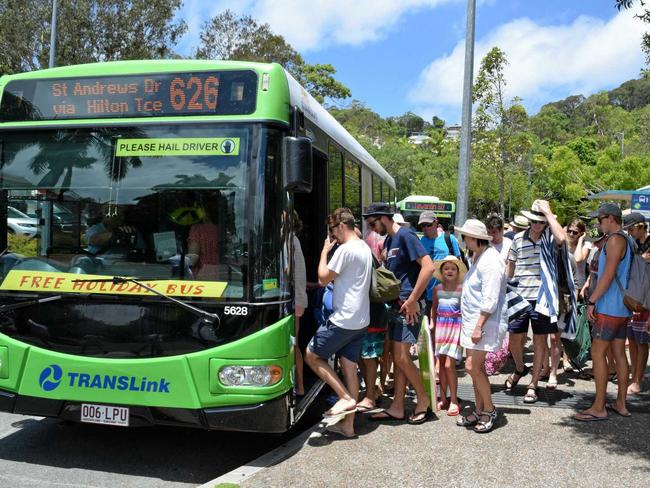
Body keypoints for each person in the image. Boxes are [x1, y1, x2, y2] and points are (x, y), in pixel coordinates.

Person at [364, 203, 435, 424]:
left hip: (409, 307)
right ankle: (397, 407)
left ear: (383, 218)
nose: (372, 229)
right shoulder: (390, 240)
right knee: (397, 358)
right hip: (397, 306)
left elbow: (428, 267)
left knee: (403, 358)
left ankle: (423, 401)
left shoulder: (405, 235)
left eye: (373, 223)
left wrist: (414, 299)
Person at [305, 208, 373, 438]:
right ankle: (348, 426)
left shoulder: (345, 249)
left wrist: (325, 251)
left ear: (341, 226)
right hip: (361, 319)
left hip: (343, 319)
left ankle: (345, 398)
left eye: (333, 231)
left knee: (312, 355)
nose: (333, 236)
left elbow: (323, 279)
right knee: (349, 369)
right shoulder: (364, 247)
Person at [576, 203, 632, 421]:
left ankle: (599, 407)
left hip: (609, 307)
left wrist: (592, 300)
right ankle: (621, 403)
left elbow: (607, 276)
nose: (598, 224)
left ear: (610, 218)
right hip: (621, 308)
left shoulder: (615, 239)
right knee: (618, 354)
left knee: (598, 353)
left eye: (600, 220)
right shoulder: (625, 239)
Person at [506, 200, 566, 402]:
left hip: (542, 298)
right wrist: (505, 287)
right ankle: (520, 367)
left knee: (540, 340)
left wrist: (549, 213)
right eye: (534, 221)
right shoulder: (516, 239)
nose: (536, 225)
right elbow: (510, 267)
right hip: (519, 296)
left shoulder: (549, 238)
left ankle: (533, 384)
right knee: (514, 338)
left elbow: (562, 237)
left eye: (541, 222)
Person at [456, 219, 508, 433]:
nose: (463, 240)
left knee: (472, 367)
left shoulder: (491, 261)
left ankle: (489, 409)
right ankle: (479, 408)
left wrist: (478, 326)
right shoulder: (479, 257)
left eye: (465, 236)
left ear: (474, 238)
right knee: (473, 368)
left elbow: (490, 299)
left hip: (483, 323)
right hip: (473, 322)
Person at [430, 255, 467, 416]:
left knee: (448, 365)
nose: (450, 271)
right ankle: (443, 397)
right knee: (442, 365)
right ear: (442, 271)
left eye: (453, 268)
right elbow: (434, 309)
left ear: (458, 272)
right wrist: (431, 324)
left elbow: (465, 312)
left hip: (455, 328)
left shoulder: (462, 289)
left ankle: (454, 400)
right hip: (440, 329)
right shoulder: (437, 289)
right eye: (446, 268)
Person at [623, 212, 649, 395]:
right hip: (633, 298)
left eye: (631, 228)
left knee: (642, 342)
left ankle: (638, 381)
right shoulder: (634, 244)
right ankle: (633, 377)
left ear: (641, 226)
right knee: (632, 339)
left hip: (646, 301)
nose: (629, 232)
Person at [418, 210, 461, 317]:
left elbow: (459, 264)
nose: (426, 228)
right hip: (427, 295)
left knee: (447, 327)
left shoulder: (449, 239)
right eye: (423, 226)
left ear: (436, 223)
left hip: (448, 295)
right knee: (429, 328)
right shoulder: (420, 242)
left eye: (428, 225)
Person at [292, 211, 308, 397]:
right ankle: (300, 385)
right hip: (298, 298)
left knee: (293, 344)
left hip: (294, 299)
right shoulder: (293, 239)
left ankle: (300, 385)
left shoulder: (290, 240)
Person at [187, 200, 220, 279]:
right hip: (219, 272)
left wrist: (179, 258)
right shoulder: (220, 229)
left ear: (204, 211)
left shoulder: (197, 229)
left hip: (202, 273)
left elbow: (192, 259)